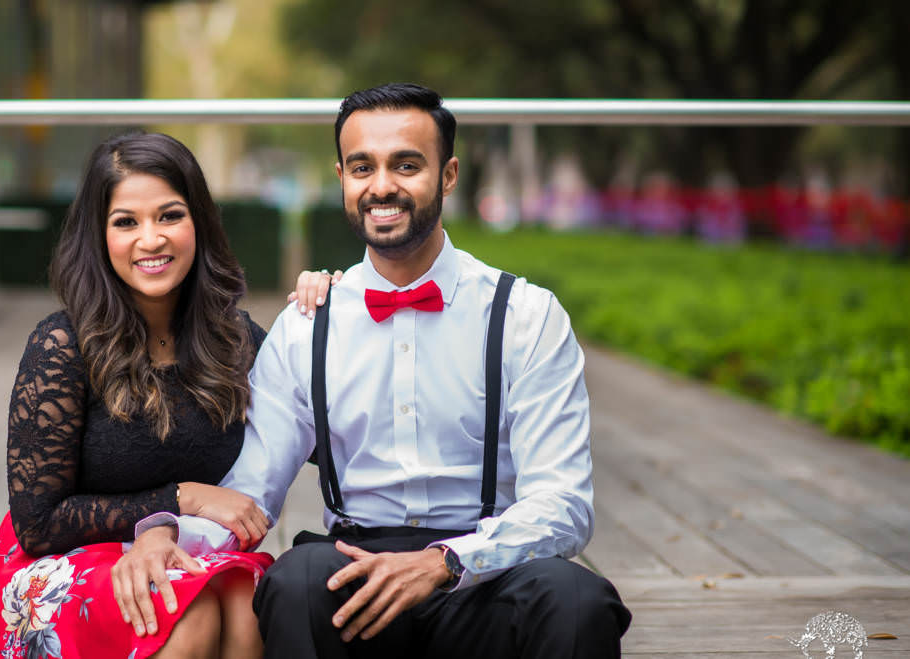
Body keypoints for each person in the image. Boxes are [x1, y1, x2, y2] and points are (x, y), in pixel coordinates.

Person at [134, 83, 633, 658]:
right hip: (355, 572)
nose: (382, 186)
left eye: (406, 165)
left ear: (447, 176)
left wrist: (447, 562)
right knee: (295, 583)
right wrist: (163, 534)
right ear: (341, 177)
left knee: (577, 601)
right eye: (362, 166)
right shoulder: (307, 326)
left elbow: (562, 503)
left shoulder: (526, 316)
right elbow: (254, 488)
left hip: (487, 569)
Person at [0, 132, 335, 659]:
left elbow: (326, 435)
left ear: (198, 221)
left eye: (169, 216)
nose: (151, 239)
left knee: (246, 603)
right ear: (99, 237)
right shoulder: (63, 346)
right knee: (183, 613)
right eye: (126, 222)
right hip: (65, 562)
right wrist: (182, 498)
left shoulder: (234, 338)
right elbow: (38, 525)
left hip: (184, 551)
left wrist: (333, 315)